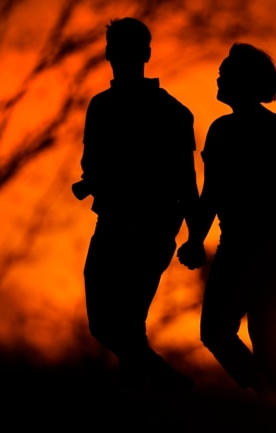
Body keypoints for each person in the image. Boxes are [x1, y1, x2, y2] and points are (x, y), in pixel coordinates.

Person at [177, 43, 276, 401]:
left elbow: (212, 194)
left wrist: (196, 239)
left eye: (226, 74)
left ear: (244, 82)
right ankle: (270, 396)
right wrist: (196, 238)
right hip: (263, 244)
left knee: (236, 331)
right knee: (258, 332)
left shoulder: (232, 131)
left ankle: (268, 397)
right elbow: (216, 193)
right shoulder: (271, 129)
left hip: (255, 244)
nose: (219, 78)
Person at [73, 17, 197, 393]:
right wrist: (95, 181)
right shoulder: (102, 107)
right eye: (118, 47)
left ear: (145, 53)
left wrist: (194, 236)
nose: (123, 55)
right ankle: (161, 390)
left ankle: (163, 389)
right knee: (109, 326)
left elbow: (185, 181)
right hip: (111, 224)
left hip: (152, 228)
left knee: (124, 324)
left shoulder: (173, 112)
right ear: (110, 53)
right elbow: (91, 164)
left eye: (131, 47)